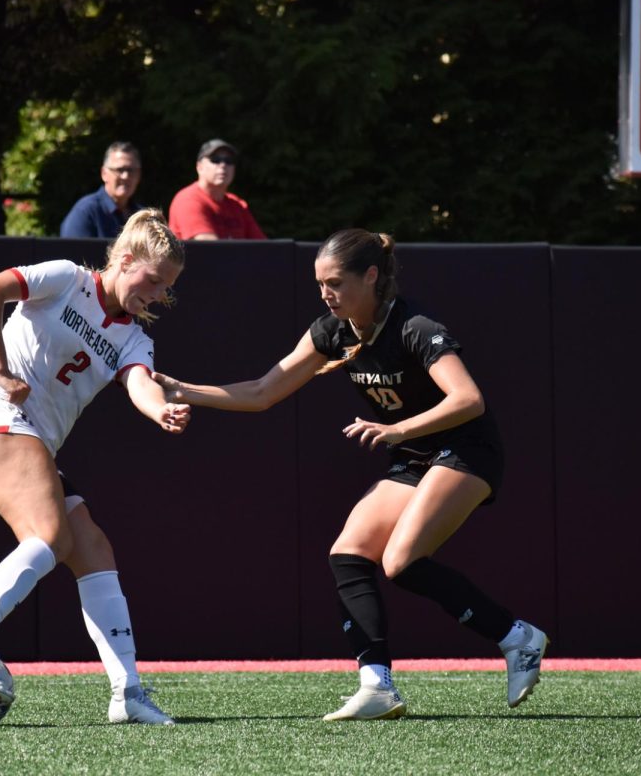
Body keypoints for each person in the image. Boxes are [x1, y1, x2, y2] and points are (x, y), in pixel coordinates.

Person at [152, 228, 548, 721]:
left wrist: (396, 428)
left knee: (401, 560)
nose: (325, 293)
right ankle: (376, 685)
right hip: (412, 454)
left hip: (466, 450)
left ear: (372, 276)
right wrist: (180, 389)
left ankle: (518, 638)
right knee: (349, 553)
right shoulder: (332, 332)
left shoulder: (415, 327)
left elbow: (468, 400)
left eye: (335, 282)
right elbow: (261, 392)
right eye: (319, 283)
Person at [0, 208, 190, 726]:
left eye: (168, 287)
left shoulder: (134, 338)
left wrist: (158, 406)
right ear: (124, 259)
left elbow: (140, 382)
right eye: (155, 279)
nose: (160, 294)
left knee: (90, 546)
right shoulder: (67, 279)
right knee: (50, 534)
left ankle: (128, 694)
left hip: (27, 443)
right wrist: (2, 370)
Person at [167, 139, 265, 240]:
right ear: (199, 167)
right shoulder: (188, 200)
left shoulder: (237, 205)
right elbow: (209, 250)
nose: (223, 165)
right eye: (215, 160)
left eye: (229, 161)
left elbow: (264, 248)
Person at [59, 142, 144, 238]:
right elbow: (72, 251)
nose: (125, 176)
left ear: (139, 175)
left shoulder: (143, 217)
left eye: (131, 170)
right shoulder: (86, 212)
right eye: (120, 170)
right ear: (104, 173)